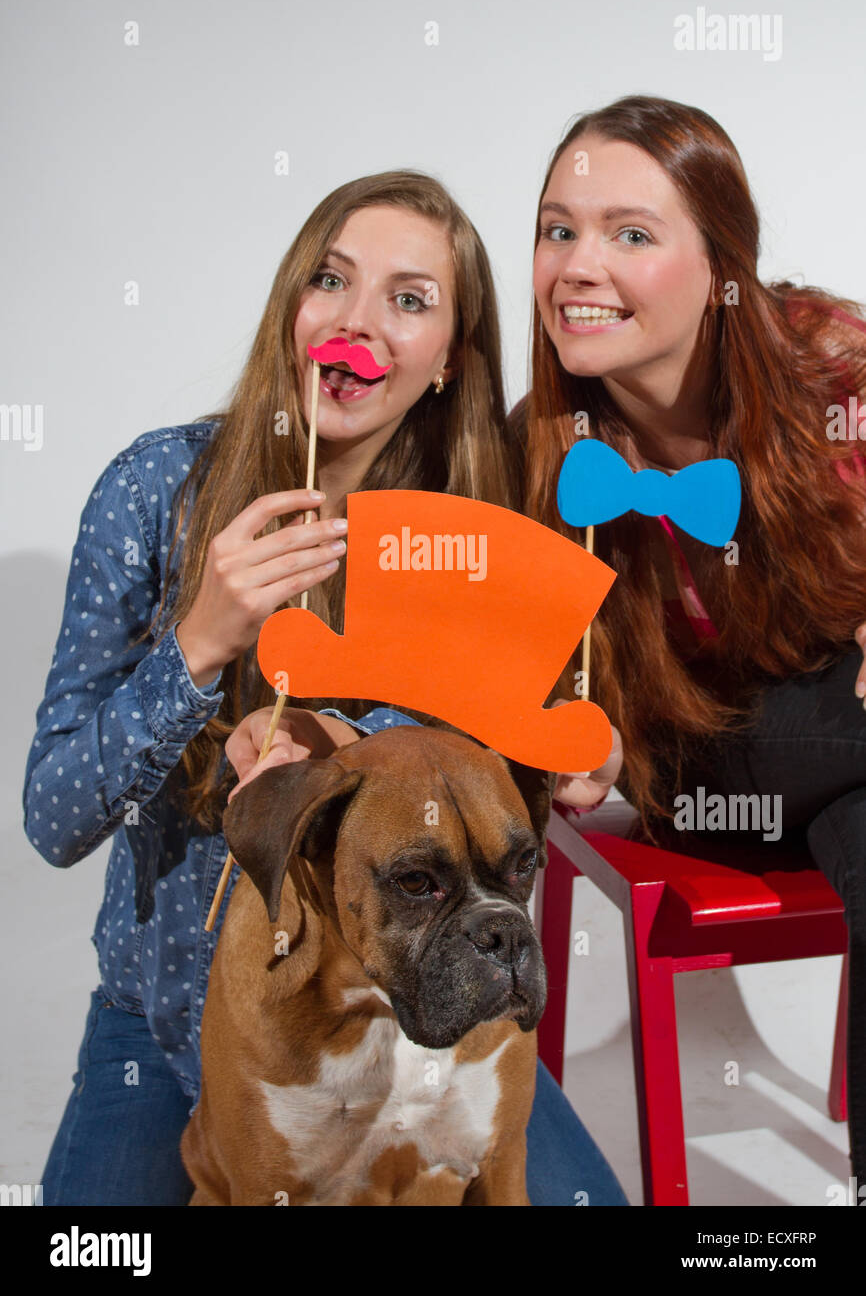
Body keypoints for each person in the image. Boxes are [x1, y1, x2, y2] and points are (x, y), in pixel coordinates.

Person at [24, 169, 628, 1206]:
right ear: (289, 305)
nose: (356, 323)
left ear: (450, 359)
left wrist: (585, 764)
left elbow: (499, 804)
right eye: (329, 279)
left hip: (432, 1018)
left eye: (408, 299)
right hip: (168, 1020)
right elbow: (55, 817)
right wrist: (200, 643)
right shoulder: (152, 492)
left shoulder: (479, 539)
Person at [512, 92, 866, 1188]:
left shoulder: (832, 372)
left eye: (628, 232)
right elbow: (519, 680)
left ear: (723, 264)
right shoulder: (542, 454)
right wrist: (572, 739)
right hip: (695, 779)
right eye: (557, 229)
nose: (577, 263)